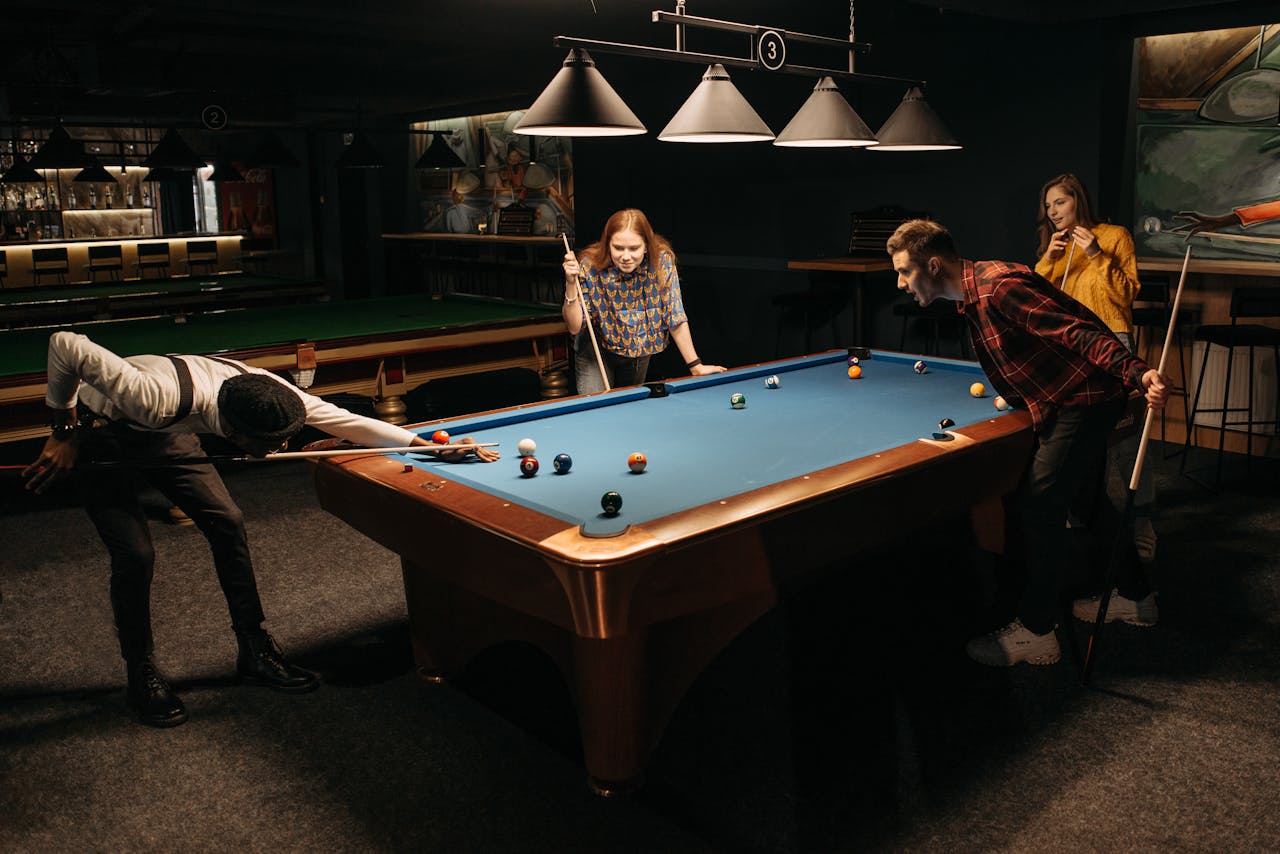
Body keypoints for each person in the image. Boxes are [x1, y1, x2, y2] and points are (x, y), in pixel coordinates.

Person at [23, 331, 497, 727]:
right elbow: (65, 344)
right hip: (99, 426)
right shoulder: (149, 396)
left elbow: (345, 421)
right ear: (231, 432)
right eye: (267, 446)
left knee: (227, 520)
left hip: (167, 432)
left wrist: (423, 446)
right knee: (136, 553)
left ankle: (253, 648)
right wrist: (63, 430)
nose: (275, 451)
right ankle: (140, 670)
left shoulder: (266, 393)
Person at [885, 220, 1169, 666]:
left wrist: (1136, 371)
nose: (900, 283)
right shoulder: (972, 295)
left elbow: (1076, 330)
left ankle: (1038, 631)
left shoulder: (998, 287)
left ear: (933, 265)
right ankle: (1135, 597)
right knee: (1088, 502)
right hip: (1070, 399)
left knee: (1038, 503)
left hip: (1085, 399)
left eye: (904, 271)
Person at [1034, 173, 1160, 605]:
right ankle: (1085, 520)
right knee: (1077, 438)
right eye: (1048, 205)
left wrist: (1094, 253)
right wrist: (1048, 262)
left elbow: (1125, 296)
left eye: (1060, 202)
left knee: (1122, 440)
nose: (1053, 211)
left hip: (1112, 344)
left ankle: (1140, 522)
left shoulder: (1114, 236)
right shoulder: (1052, 249)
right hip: (1067, 350)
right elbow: (1039, 304)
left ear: (1077, 202)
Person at [561, 208, 725, 393]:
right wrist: (570, 283)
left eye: (634, 248)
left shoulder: (661, 262)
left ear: (646, 245)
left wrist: (695, 366)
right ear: (607, 244)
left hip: (638, 349)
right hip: (596, 350)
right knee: (597, 412)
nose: (625, 256)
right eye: (618, 247)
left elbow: (675, 316)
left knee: (630, 411)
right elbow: (574, 327)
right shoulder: (590, 265)